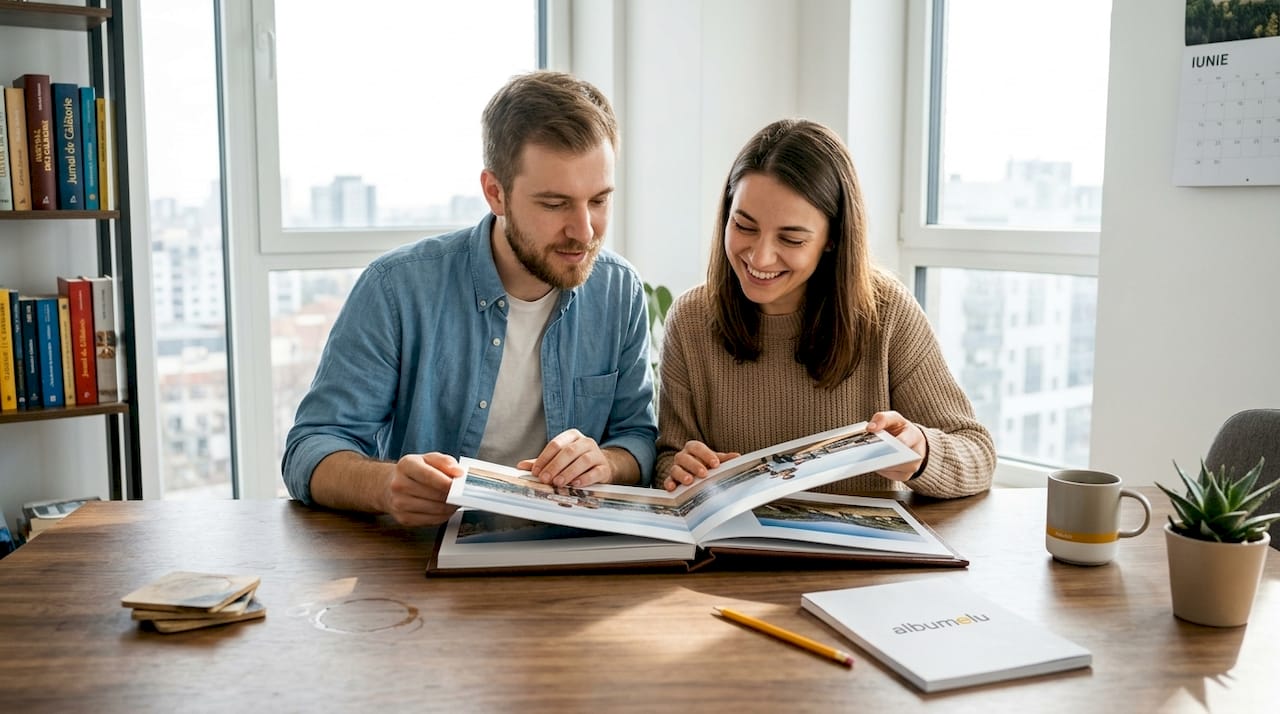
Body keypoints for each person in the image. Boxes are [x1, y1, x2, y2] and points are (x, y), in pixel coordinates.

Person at [283, 71, 657, 526]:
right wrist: (386, 487)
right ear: (495, 193)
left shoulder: (619, 290)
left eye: (598, 200)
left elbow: (637, 436)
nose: (584, 232)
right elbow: (311, 449)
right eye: (555, 204)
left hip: (569, 554)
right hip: (426, 561)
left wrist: (607, 462)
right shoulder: (396, 288)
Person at [657, 118, 994, 497]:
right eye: (744, 226)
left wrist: (922, 452)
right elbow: (669, 458)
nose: (760, 256)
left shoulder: (887, 312)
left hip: (864, 554)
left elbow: (977, 454)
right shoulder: (690, 320)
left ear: (832, 240)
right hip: (738, 553)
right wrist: (680, 469)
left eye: (791, 238)